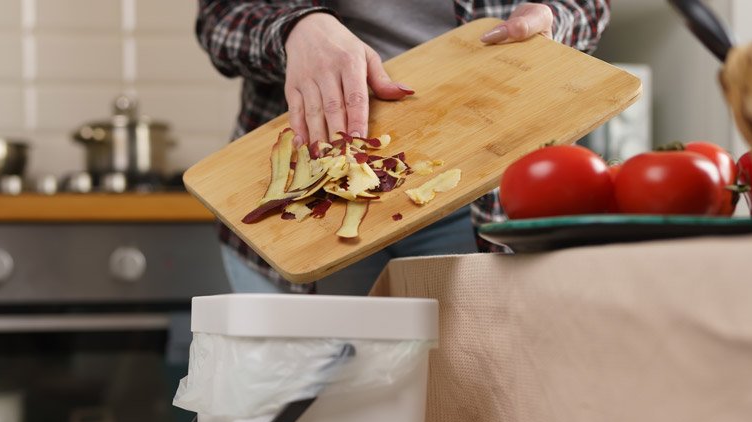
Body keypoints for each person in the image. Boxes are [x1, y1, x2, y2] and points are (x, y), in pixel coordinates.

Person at [196, 0, 610, 294]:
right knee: (308, 410)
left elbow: (589, 5)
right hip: (305, 195)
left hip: (482, 191)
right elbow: (221, 15)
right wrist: (293, 27)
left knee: (459, 407)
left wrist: (557, 18)